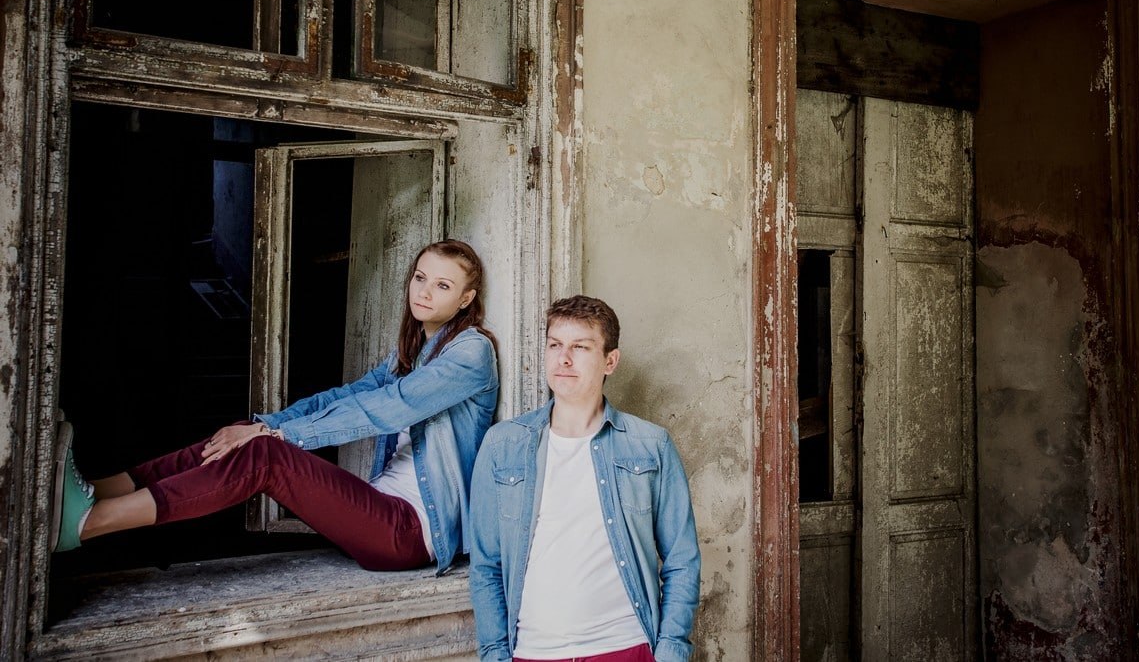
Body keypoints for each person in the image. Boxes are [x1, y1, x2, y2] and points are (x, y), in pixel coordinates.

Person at [50, 239, 499, 574]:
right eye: (420, 277)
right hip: (377, 510)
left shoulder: (470, 353)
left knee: (265, 454)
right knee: (241, 435)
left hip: (409, 532)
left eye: (442, 285)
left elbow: (391, 407)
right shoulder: (411, 352)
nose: (424, 291)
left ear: (465, 299)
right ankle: (98, 491)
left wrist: (277, 435)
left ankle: (90, 523)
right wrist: (265, 424)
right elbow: (344, 397)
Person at [469, 295, 701, 662]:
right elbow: (486, 566)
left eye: (580, 347)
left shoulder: (650, 445)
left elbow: (682, 559)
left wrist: (670, 651)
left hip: (625, 647)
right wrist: (495, 654)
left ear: (610, 361)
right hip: (533, 652)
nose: (563, 358)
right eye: (555, 345)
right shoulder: (503, 445)